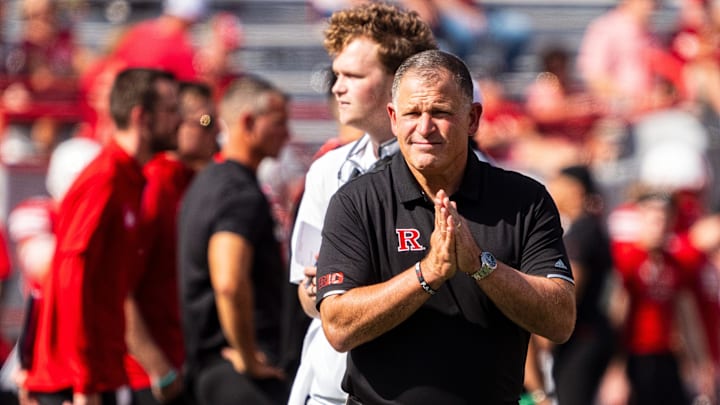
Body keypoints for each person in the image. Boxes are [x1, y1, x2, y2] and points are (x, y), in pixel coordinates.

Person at [314, 49, 576, 404]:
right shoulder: (356, 200)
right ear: (393, 118)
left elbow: (560, 320)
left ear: (472, 118)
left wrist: (482, 266)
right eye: (412, 113)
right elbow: (338, 327)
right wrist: (428, 273)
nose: (424, 127)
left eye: (440, 112)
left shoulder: (524, 200)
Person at [286, 3, 437, 404]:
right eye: (337, 75)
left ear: (397, 84)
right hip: (330, 387)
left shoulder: (458, 170)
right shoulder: (326, 171)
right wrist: (328, 290)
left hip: (418, 386)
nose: (337, 88)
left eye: (353, 76)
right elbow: (306, 294)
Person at [23, 68, 180, 405]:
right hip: (73, 384)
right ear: (141, 117)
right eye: (170, 110)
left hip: (98, 374)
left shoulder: (128, 178)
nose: (179, 120)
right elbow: (70, 275)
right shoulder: (105, 179)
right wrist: (83, 382)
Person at [178, 74, 290, 405]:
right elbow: (228, 281)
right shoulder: (237, 192)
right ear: (248, 122)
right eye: (279, 122)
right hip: (237, 374)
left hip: (212, 370)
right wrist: (249, 355)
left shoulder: (209, 181)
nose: (287, 134)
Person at [124, 82, 219, 405]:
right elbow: (121, 288)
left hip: (183, 364)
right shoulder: (156, 184)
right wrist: (157, 367)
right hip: (150, 378)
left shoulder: (192, 181)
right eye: (206, 122)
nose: (217, 133)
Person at [544, 165, 617, 405]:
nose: (552, 189)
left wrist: (546, 336)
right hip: (593, 334)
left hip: (581, 337)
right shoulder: (590, 227)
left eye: (558, 183)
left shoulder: (583, 231)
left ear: (575, 190)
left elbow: (571, 287)